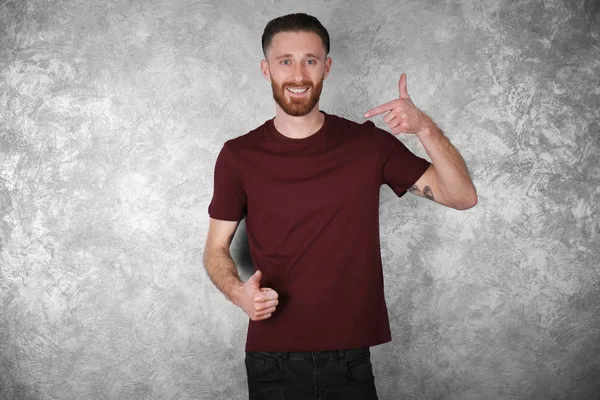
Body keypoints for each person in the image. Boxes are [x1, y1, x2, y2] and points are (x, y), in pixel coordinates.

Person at [203, 12, 477, 400]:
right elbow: (215, 249)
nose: (298, 74)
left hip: (350, 359)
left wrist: (425, 130)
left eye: (310, 61)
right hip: (272, 359)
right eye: (286, 61)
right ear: (266, 70)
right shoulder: (237, 155)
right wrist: (238, 293)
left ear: (326, 67)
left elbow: (462, 196)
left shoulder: (369, 146)